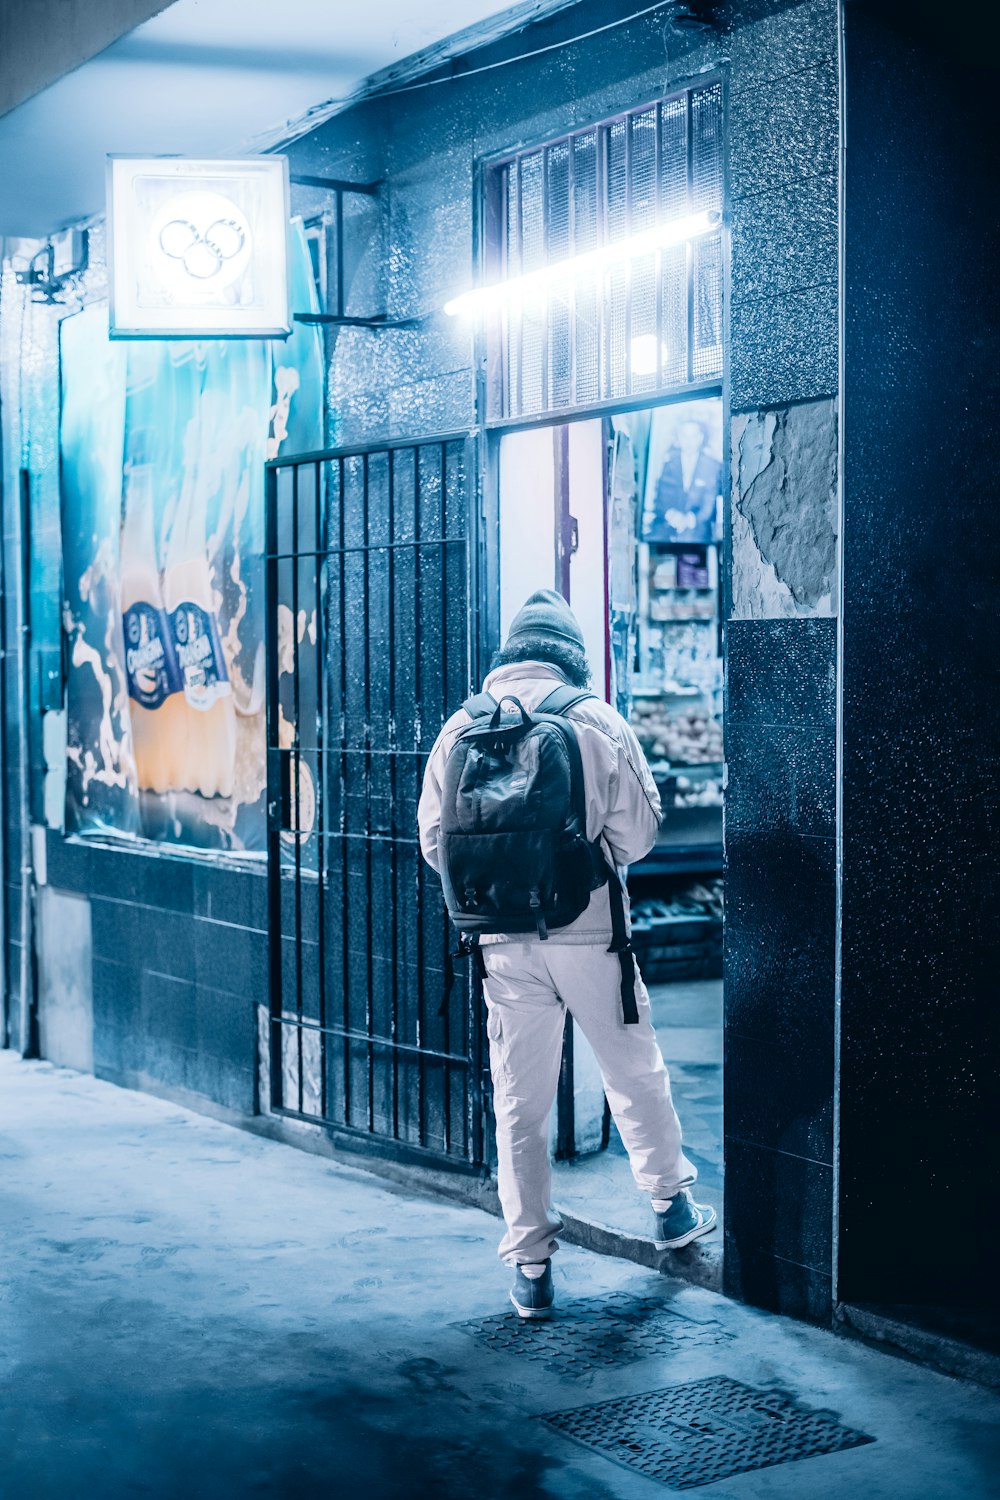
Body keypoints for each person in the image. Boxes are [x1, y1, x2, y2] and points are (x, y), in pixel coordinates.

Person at [417, 589, 716, 1319]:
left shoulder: (460, 727)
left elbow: (434, 843)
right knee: (630, 1066)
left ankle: (530, 1266)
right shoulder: (593, 718)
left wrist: (502, 884)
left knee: (520, 1100)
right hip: (589, 928)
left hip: (499, 940)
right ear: (569, 655)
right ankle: (671, 1210)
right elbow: (640, 836)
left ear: (509, 656)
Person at [643, 416, 722, 543]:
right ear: (679, 438)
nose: (689, 441)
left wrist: (689, 520)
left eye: (693, 436)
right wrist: (670, 514)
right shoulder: (669, 463)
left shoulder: (712, 466)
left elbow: (709, 504)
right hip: (670, 523)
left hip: (697, 526)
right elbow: (661, 498)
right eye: (684, 436)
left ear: (700, 438)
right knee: (650, 541)